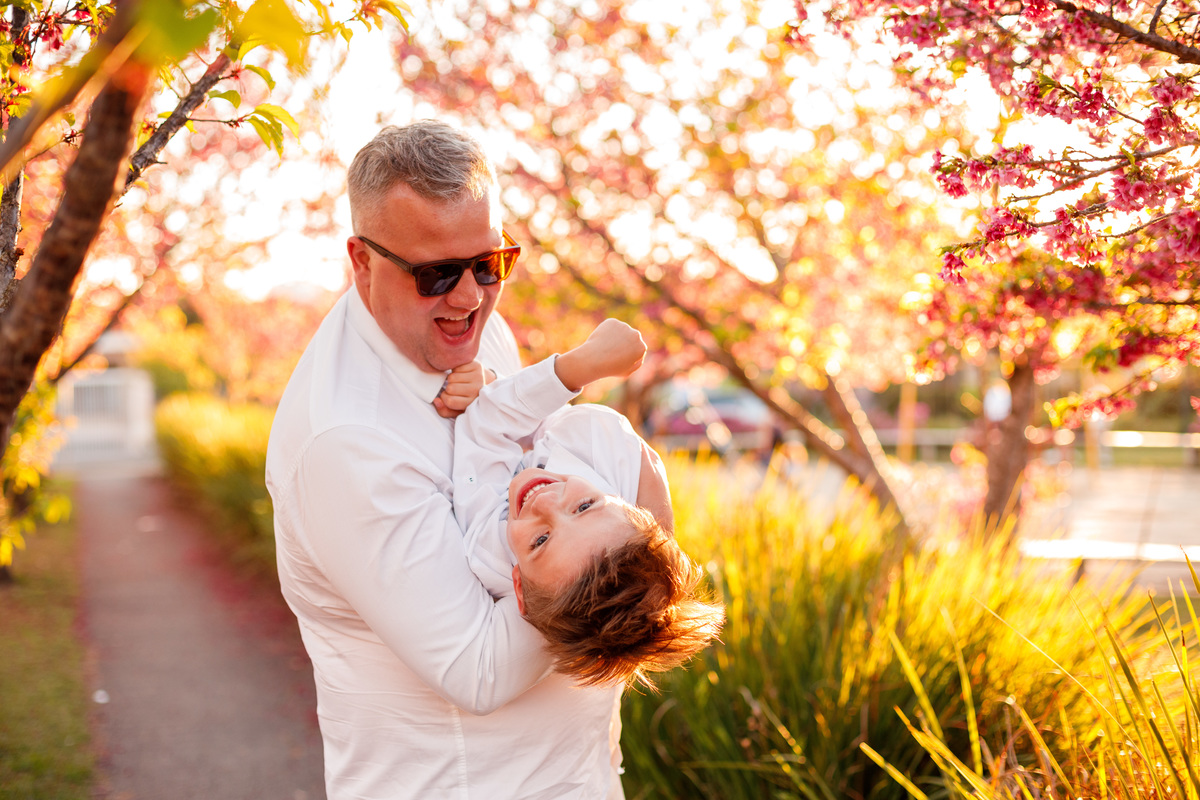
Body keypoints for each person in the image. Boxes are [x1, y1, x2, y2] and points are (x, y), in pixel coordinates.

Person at [266, 121, 625, 800]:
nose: (469, 298)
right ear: (363, 262)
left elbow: (529, 462)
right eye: (436, 275)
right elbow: (479, 670)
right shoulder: (346, 440)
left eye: (489, 264)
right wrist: (622, 561)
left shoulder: (470, 332)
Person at [448, 319, 724, 688]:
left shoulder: (489, 551)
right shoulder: (605, 448)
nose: (543, 502)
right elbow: (551, 421)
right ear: (626, 503)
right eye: (583, 507)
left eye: (540, 540)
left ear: (519, 587)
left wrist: (571, 369)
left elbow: (483, 428)